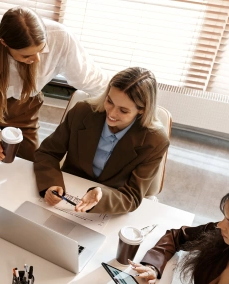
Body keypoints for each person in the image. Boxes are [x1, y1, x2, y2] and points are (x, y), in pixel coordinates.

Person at [0, 6, 110, 162]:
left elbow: (89, 78)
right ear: (4, 43)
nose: (38, 59)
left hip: (25, 107)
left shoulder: (61, 38)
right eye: (27, 55)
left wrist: (116, 98)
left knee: (31, 163)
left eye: (42, 49)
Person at [34, 67, 169, 214]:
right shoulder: (81, 112)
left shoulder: (155, 141)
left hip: (111, 204)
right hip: (68, 190)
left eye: (123, 110)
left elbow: (132, 196)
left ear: (142, 110)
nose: (111, 113)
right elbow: (47, 153)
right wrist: (51, 184)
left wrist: (102, 196)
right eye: (109, 101)